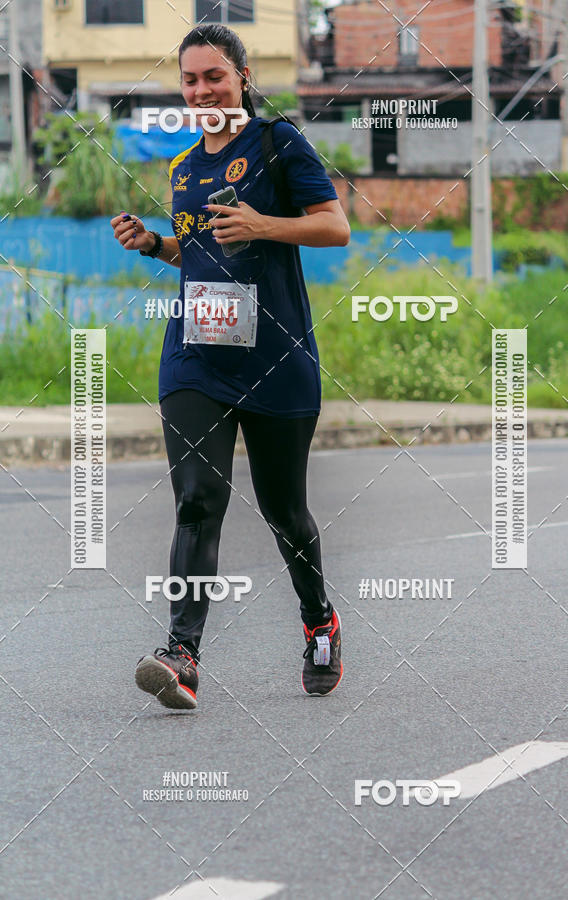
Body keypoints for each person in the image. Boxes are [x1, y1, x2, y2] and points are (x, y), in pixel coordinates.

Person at [110, 23, 350, 711]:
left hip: (276, 359)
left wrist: (264, 225)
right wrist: (155, 244)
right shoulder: (183, 169)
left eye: (214, 75)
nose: (201, 89)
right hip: (195, 357)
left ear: (241, 76)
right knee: (196, 499)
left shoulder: (278, 143)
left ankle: (318, 622)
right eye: (189, 80)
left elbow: (335, 226)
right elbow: (204, 254)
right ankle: (181, 656)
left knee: (284, 512)